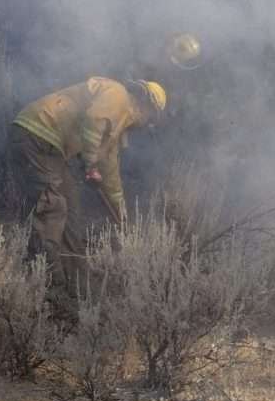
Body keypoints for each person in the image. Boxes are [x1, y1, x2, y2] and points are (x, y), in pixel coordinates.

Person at [9, 76, 167, 301]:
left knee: (71, 210)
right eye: (151, 117)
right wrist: (90, 161)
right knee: (53, 208)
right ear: (146, 104)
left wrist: (120, 212)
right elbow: (94, 119)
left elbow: (109, 171)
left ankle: (78, 285)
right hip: (37, 131)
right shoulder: (119, 95)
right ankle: (46, 285)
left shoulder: (118, 125)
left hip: (52, 146)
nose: (147, 123)